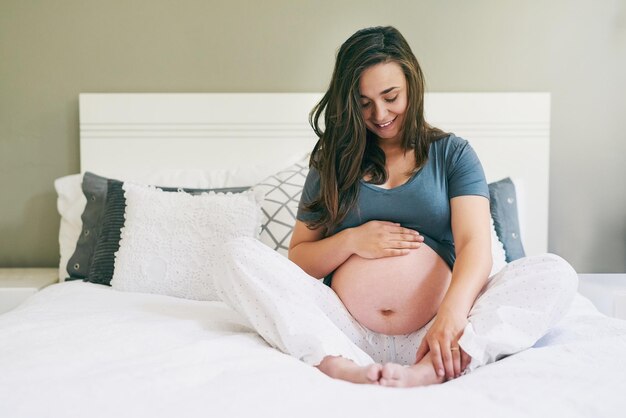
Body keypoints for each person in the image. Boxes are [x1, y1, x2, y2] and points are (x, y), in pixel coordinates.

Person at [213, 26, 577, 387]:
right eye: (364, 102)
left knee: (555, 273)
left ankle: (436, 366)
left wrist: (450, 317)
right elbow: (299, 260)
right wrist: (352, 241)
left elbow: (474, 247)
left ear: (412, 86)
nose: (380, 113)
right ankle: (334, 362)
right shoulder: (331, 162)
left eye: (391, 96)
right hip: (343, 329)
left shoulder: (452, 154)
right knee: (236, 254)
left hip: (437, 328)